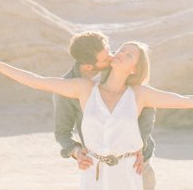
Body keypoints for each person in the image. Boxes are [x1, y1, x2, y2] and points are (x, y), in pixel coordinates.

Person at [0, 41, 193, 190]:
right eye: (121, 50)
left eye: (129, 55)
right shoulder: (83, 88)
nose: (120, 54)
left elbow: (185, 101)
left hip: (130, 173)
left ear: (133, 69)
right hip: (93, 171)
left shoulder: (140, 94)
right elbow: (38, 81)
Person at [53, 32, 157, 189]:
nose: (112, 56)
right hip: (100, 164)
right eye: (106, 57)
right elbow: (62, 132)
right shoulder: (66, 89)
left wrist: (139, 148)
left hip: (137, 160)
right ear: (88, 66)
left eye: (109, 50)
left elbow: (147, 106)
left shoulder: (118, 63)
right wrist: (76, 151)